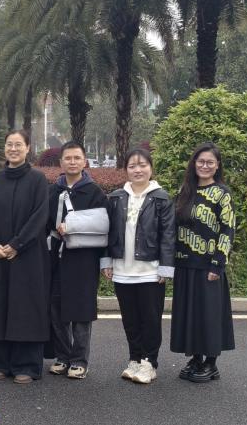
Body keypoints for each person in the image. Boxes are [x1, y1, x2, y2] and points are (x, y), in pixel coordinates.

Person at [101, 148, 175, 384]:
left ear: (151, 168)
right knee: (130, 319)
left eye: (142, 165)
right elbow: (108, 232)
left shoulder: (161, 198)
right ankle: (134, 359)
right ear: (126, 170)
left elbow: (168, 235)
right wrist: (107, 260)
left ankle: (149, 363)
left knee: (150, 320)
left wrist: (165, 267)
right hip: (122, 270)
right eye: (132, 166)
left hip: (150, 271)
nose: (138, 170)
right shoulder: (116, 197)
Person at [0, 129, 50, 384]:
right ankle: (0, 362)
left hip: (28, 257)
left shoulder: (38, 179)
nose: (13, 149)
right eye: (9, 144)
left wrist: (16, 244)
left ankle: (27, 365)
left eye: (18, 144)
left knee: (26, 308)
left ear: (28, 148)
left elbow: (40, 216)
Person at [170, 142, 235, 382]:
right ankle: (196, 358)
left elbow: (228, 229)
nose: (204, 166)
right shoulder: (185, 190)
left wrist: (218, 263)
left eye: (210, 162)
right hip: (185, 263)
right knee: (190, 315)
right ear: (194, 163)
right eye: (201, 161)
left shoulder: (222, 193)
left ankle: (211, 363)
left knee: (209, 315)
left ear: (217, 166)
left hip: (208, 265)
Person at [46, 141, 109, 380]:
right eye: (68, 158)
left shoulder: (94, 192)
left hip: (84, 260)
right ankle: (62, 356)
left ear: (84, 162)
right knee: (57, 308)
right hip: (57, 258)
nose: (72, 162)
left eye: (77, 158)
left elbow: (105, 226)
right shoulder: (53, 191)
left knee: (81, 311)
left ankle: (79, 360)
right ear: (61, 162)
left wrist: (72, 227)